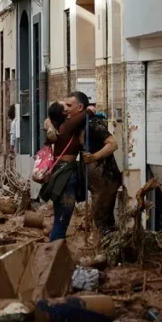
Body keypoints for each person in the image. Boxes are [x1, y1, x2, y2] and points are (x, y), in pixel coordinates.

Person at [39, 96, 97, 241]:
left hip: (60, 172)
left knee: (60, 218)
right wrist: (89, 109)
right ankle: (54, 256)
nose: (68, 108)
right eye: (65, 107)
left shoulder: (57, 125)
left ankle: (55, 254)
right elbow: (88, 112)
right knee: (62, 220)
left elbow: (48, 120)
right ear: (64, 114)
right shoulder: (67, 126)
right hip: (65, 175)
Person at [72, 92, 122, 235]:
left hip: (106, 180)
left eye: (70, 106)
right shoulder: (76, 125)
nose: (66, 109)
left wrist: (94, 157)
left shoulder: (93, 124)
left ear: (80, 107)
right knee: (99, 220)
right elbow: (50, 119)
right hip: (94, 184)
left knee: (102, 221)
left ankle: (107, 253)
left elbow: (112, 144)